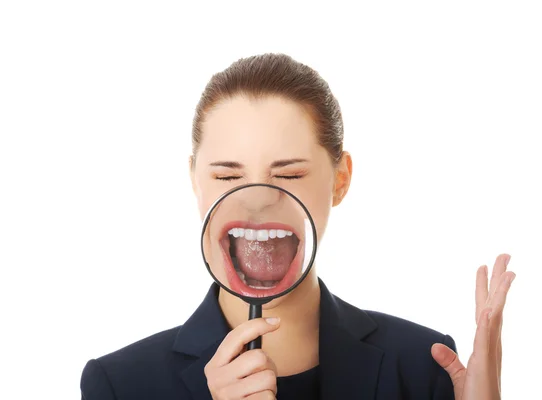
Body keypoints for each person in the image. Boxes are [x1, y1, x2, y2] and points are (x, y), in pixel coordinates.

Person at [80, 53, 515, 400]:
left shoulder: (422, 367)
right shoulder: (121, 385)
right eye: (228, 177)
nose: (256, 200)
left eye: (288, 175)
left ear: (340, 179)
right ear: (196, 182)